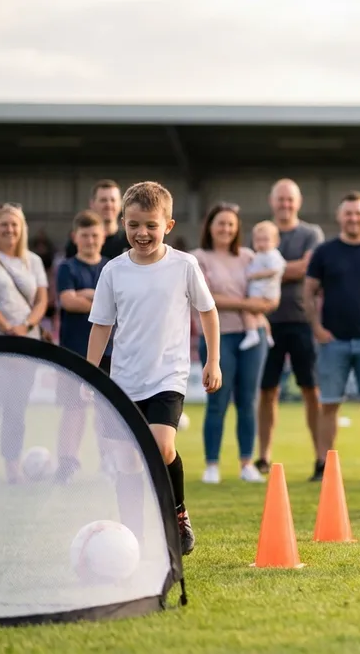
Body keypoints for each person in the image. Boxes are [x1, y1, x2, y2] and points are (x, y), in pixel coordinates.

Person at [88, 181, 222, 556]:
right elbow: (102, 325)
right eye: (133, 225)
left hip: (167, 376)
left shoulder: (184, 265)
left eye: (150, 224)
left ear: (168, 224)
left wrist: (213, 360)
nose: (141, 233)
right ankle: (133, 535)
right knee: (125, 460)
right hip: (124, 380)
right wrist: (90, 371)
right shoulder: (113, 271)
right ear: (122, 223)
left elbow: (208, 312)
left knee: (163, 447)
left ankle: (178, 514)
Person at [304, 191, 360, 484]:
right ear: (339, 216)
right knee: (329, 404)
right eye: (348, 213)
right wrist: (317, 328)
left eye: (358, 213)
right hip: (333, 342)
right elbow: (308, 292)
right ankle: (323, 464)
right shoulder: (324, 252)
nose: (353, 218)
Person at [192, 203, 278, 485]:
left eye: (231, 224)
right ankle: (212, 464)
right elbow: (206, 298)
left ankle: (246, 463)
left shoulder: (249, 256)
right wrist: (246, 304)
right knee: (217, 400)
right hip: (219, 337)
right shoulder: (198, 258)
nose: (226, 229)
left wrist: (265, 304)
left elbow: (269, 292)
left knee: (248, 401)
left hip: (254, 336)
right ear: (210, 226)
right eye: (221, 223)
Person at [0, 203, 49, 486]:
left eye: (14, 224)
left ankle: (13, 466)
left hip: (26, 344)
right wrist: (7, 330)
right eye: (4, 224)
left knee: (17, 409)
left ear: (22, 229)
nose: (9, 229)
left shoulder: (33, 261)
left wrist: (25, 327)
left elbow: (41, 301)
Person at [257, 179, 325, 479]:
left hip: (301, 321)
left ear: (298, 202)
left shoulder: (311, 233)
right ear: (272, 202)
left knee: (312, 390)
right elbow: (254, 274)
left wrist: (270, 271)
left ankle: (321, 457)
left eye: (290, 199)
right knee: (267, 391)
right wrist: (289, 268)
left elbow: (309, 269)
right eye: (280, 199)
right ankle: (263, 457)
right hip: (267, 323)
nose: (285, 204)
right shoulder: (262, 231)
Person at [54, 210, 114, 483]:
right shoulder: (67, 267)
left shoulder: (111, 267)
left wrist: (86, 297)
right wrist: (99, 302)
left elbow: (119, 305)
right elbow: (67, 301)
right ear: (75, 237)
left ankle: (109, 462)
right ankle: (67, 463)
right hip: (74, 351)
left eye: (95, 235)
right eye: (85, 235)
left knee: (109, 412)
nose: (90, 240)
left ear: (103, 237)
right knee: (74, 409)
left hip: (109, 351)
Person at [239, 220, 287, 351]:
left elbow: (276, 270)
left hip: (265, 293)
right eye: (258, 240)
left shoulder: (272, 254)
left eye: (265, 240)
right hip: (260, 292)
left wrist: (255, 276)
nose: (261, 244)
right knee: (259, 316)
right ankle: (268, 335)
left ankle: (252, 333)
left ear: (276, 241)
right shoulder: (260, 255)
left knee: (246, 309)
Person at [64, 180, 130, 259]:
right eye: (103, 200)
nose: (108, 205)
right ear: (92, 204)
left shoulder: (129, 240)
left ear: (121, 204)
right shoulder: (79, 241)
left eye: (113, 200)